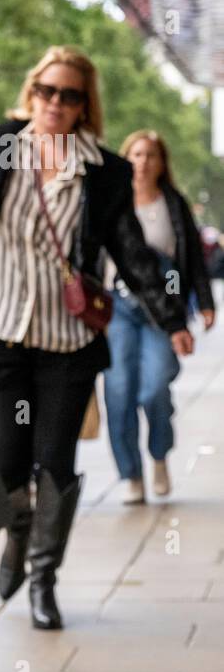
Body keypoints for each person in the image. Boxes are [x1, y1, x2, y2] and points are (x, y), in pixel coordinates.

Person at [0, 47, 190, 630]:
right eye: (48, 91)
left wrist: (171, 317)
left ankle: (44, 579)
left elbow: (131, 253)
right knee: (6, 462)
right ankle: (17, 533)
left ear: (86, 105)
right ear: (32, 91)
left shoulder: (105, 171)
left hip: (67, 343)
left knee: (54, 462)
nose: (56, 103)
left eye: (70, 95)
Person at [102, 130, 214, 504]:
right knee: (119, 391)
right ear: (125, 158)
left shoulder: (173, 202)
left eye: (151, 155)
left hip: (164, 308)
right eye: (136, 154)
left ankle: (159, 454)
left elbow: (193, 258)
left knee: (153, 388)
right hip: (118, 306)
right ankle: (131, 474)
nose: (143, 162)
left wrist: (205, 301)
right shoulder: (112, 200)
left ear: (162, 163)